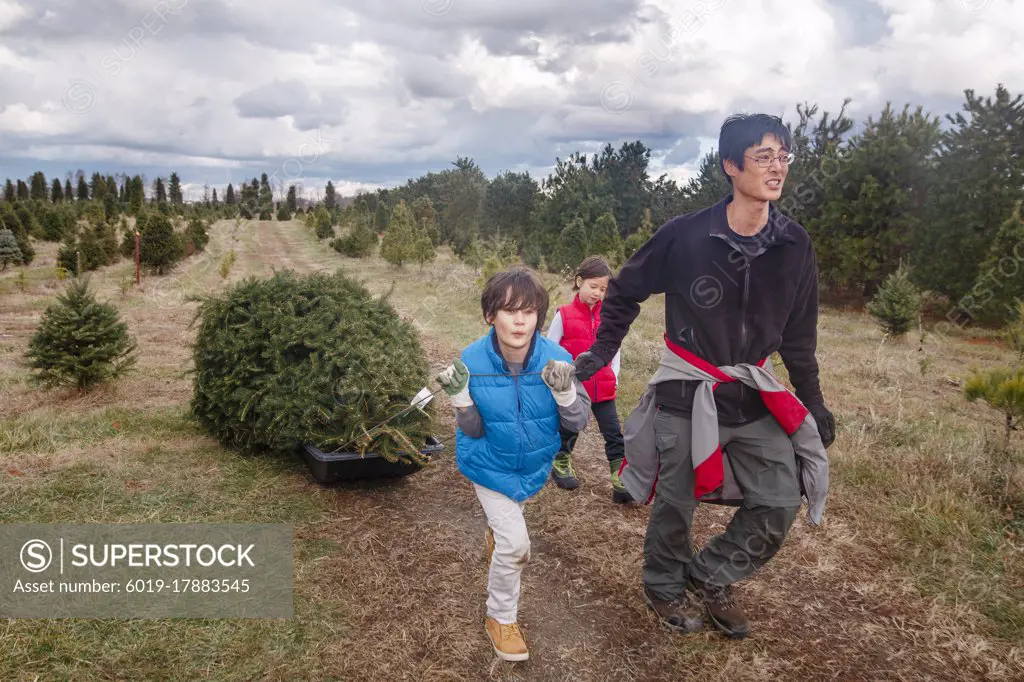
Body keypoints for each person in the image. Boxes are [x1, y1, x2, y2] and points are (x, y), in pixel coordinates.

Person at [574, 113, 836, 640]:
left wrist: (813, 403)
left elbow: (799, 339)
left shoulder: (794, 245)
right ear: (730, 166)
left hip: (752, 394)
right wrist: (602, 351)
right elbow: (624, 290)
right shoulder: (686, 235)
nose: (777, 167)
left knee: (781, 499)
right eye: (764, 156)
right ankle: (662, 582)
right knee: (677, 496)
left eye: (783, 156)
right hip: (687, 389)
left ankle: (710, 573)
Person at [435, 266, 591, 662]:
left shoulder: (557, 358)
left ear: (540, 315)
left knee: (507, 529)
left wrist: (565, 393)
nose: (519, 320)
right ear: (491, 315)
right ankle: (500, 617)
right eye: (508, 310)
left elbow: (577, 422)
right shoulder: (472, 359)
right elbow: (471, 430)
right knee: (517, 545)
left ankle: (496, 535)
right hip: (488, 466)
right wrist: (461, 399)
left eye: (528, 311)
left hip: (531, 468)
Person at [545, 255, 632, 504]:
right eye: (593, 287)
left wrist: (613, 375)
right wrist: (559, 378)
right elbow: (550, 348)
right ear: (579, 282)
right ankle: (561, 461)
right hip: (574, 387)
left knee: (613, 432)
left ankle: (620, 476)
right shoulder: (563, 314)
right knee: (569, 428)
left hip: (603, 386)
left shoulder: (609, 317)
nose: (598, 293)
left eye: (603, 289)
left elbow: (615, 349)